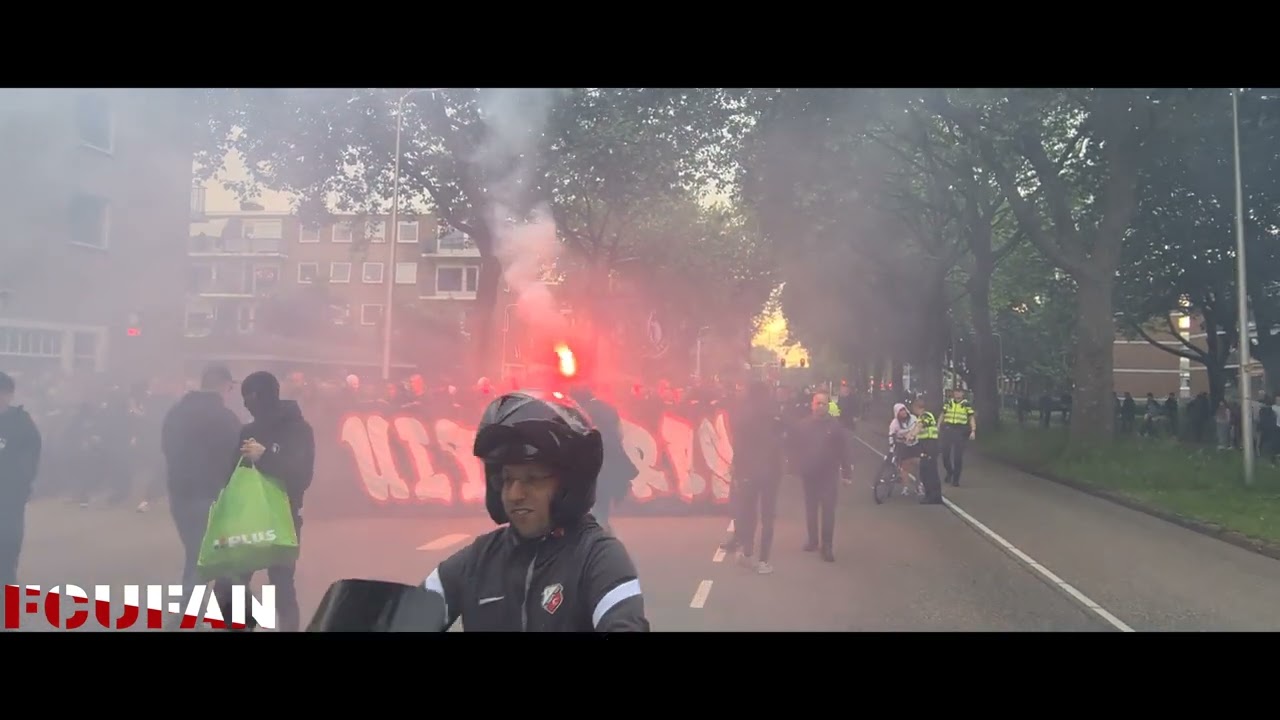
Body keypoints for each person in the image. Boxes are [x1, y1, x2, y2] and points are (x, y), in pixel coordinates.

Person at [422, 389, 649, 631]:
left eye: (533, 479)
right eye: (508, 480)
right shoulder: (478, 560)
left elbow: (625, 624)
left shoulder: (598, 557)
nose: (515, 494)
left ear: (567, 483)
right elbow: (408, 616)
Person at [214, 370, 315, 632]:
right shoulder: (248, 430)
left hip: (283, 518)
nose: (246, 402)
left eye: (249, 396)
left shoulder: (298, 430)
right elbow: (231, 477)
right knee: (232, 581)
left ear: (261, 396)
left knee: (281, 585)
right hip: (246, 520)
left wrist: (265, 457)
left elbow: (301, 476)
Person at [160, 364, 243, 597]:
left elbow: (166, 448)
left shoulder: (176, 412)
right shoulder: (225, 418)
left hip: (180, 494)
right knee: (211, 556)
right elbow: (237, 456)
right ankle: (197, 610)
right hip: (212, 494)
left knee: (196, 551)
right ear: (224, 386)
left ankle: (191, 607)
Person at [731, 381, 786, 574]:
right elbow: (785, 437)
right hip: (772, 471)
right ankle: (764, 560)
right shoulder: (775, 413)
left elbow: (737, 445)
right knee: (768, 516)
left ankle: (747, 553)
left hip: (749, 471)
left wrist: (737, 469)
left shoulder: (743, 415)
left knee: (748, 513)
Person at [0, 371, 41, 588]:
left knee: (7, 546)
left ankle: (6, 591)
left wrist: (22, 482)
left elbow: (31, 455)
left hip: (9, 496)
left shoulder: (21, 423)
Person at [939, 385, 976, 486]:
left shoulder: (966, 404)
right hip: (948, 428)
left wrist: (973, 430)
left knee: (957, 457)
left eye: (959, 392)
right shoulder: (948, 402)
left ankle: (956, 479)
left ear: (963, 393)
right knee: (945, 455)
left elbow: (971, 417)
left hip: (960, 430)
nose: (957, 394)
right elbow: (943, 414)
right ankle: (949, 471)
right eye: (956, 391)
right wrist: (938, 426)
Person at [911, 395, 942, 505]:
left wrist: (911, 436)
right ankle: (932, 495)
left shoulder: (925, 415)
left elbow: (919, 427)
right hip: (927, 446)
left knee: (929, 472)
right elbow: (916, 428)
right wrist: (910, 434)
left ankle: (933, 496)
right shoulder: (924, 416)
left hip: (930, 446)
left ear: (916, 407)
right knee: (925, 471)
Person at [888, 402, 922, 496]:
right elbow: (891, 434)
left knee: (918, 465)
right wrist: (891, 447)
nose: (903, 412)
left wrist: (914, 436)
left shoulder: (913, 419)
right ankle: (905, 487)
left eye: (904, 410)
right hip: (902, 446)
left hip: (914, 445)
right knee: (905, 467)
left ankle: (918, 486)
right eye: (900, 411)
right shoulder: (894, 423)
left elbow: (919, 428)